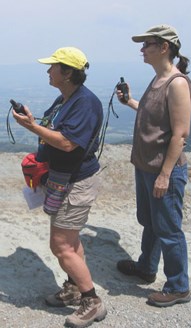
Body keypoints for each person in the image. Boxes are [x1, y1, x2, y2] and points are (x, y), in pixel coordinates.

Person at [13, 47, 107, 327]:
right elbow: (54, 132)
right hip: (63, 178)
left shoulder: (85, 103)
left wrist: (31, 128)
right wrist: (35, 123)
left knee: (61, 245)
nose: (48, 71)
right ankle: (75, 286)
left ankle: (92, 301)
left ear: (67, 72)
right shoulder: (66, 98)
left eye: (53, 66)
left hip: (76, 182)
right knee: (71, 240)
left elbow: (68, 142)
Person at [116, 25, 191, 307]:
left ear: (164, 47)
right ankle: (146, 268)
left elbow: (180, 134)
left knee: (169, 230)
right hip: (146, 166)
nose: (142, 49)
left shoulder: (177, 83)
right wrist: (131, 102)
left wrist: (165, 174)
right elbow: (156, 116)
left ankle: (178, 287)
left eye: (147, 44)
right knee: (150, 222)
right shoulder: (159, 79)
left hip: (163, 171)